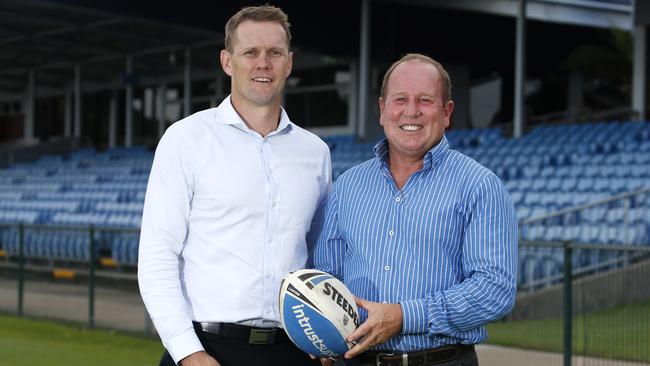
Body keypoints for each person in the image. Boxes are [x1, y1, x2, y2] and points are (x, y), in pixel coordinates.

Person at [138, 5, 330, 366]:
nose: (263, 63)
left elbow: (318, 258)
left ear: (289, 63)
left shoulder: (315, 153)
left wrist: (322, 339)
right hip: (207, 349)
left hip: (291, 352)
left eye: (274, 53)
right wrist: (188, 352)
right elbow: (157, 255)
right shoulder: (186, 139)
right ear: (227, 61)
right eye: (250, 52)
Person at [314, 53, 518, 366]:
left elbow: (495, 290)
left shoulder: (479, 186)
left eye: (425, 100)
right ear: (382, 109)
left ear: (446, 112)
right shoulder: (348, 186)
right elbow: (328, 277)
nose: (411, 111)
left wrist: (404, 316)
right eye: (400, 99)